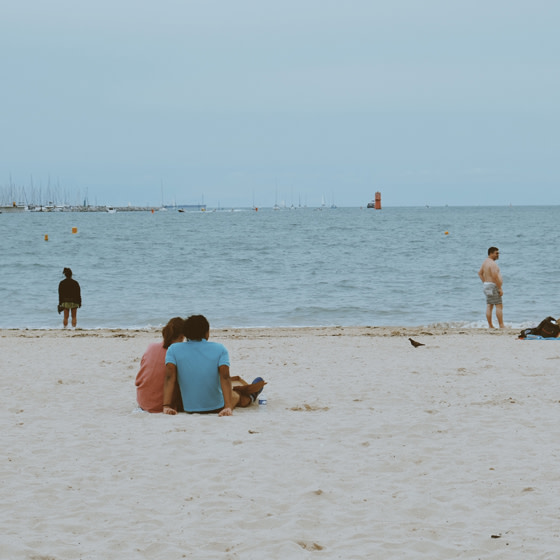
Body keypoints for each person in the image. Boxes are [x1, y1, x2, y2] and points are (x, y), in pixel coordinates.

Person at [162, 314, 264, 416]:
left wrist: (166, 406)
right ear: (206, 333)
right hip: (217, 406)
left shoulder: (173, 349)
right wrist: (228, 407)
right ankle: (252, 396)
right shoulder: (220, 349)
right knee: (238, 397)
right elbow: (225, 377)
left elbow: (169, 378)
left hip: (189, 407)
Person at [135, 317, 186, 413]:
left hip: (143, 400)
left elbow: (139, 378)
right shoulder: (178, 353)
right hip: (161, 404)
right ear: (181, 337)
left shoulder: (151, 347)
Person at [478, 247, 504, 328]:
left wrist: (485, 282)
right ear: (491, 253)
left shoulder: (485, 262)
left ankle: (490, 325)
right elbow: (495, 276)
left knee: (489, 305)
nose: (498, 255)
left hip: (487, 285)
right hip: (493, 286)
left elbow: (480, 273)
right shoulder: (492, 264)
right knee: (499, 305)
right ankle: (501, 325)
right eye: (496, 253)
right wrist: (499, 288)